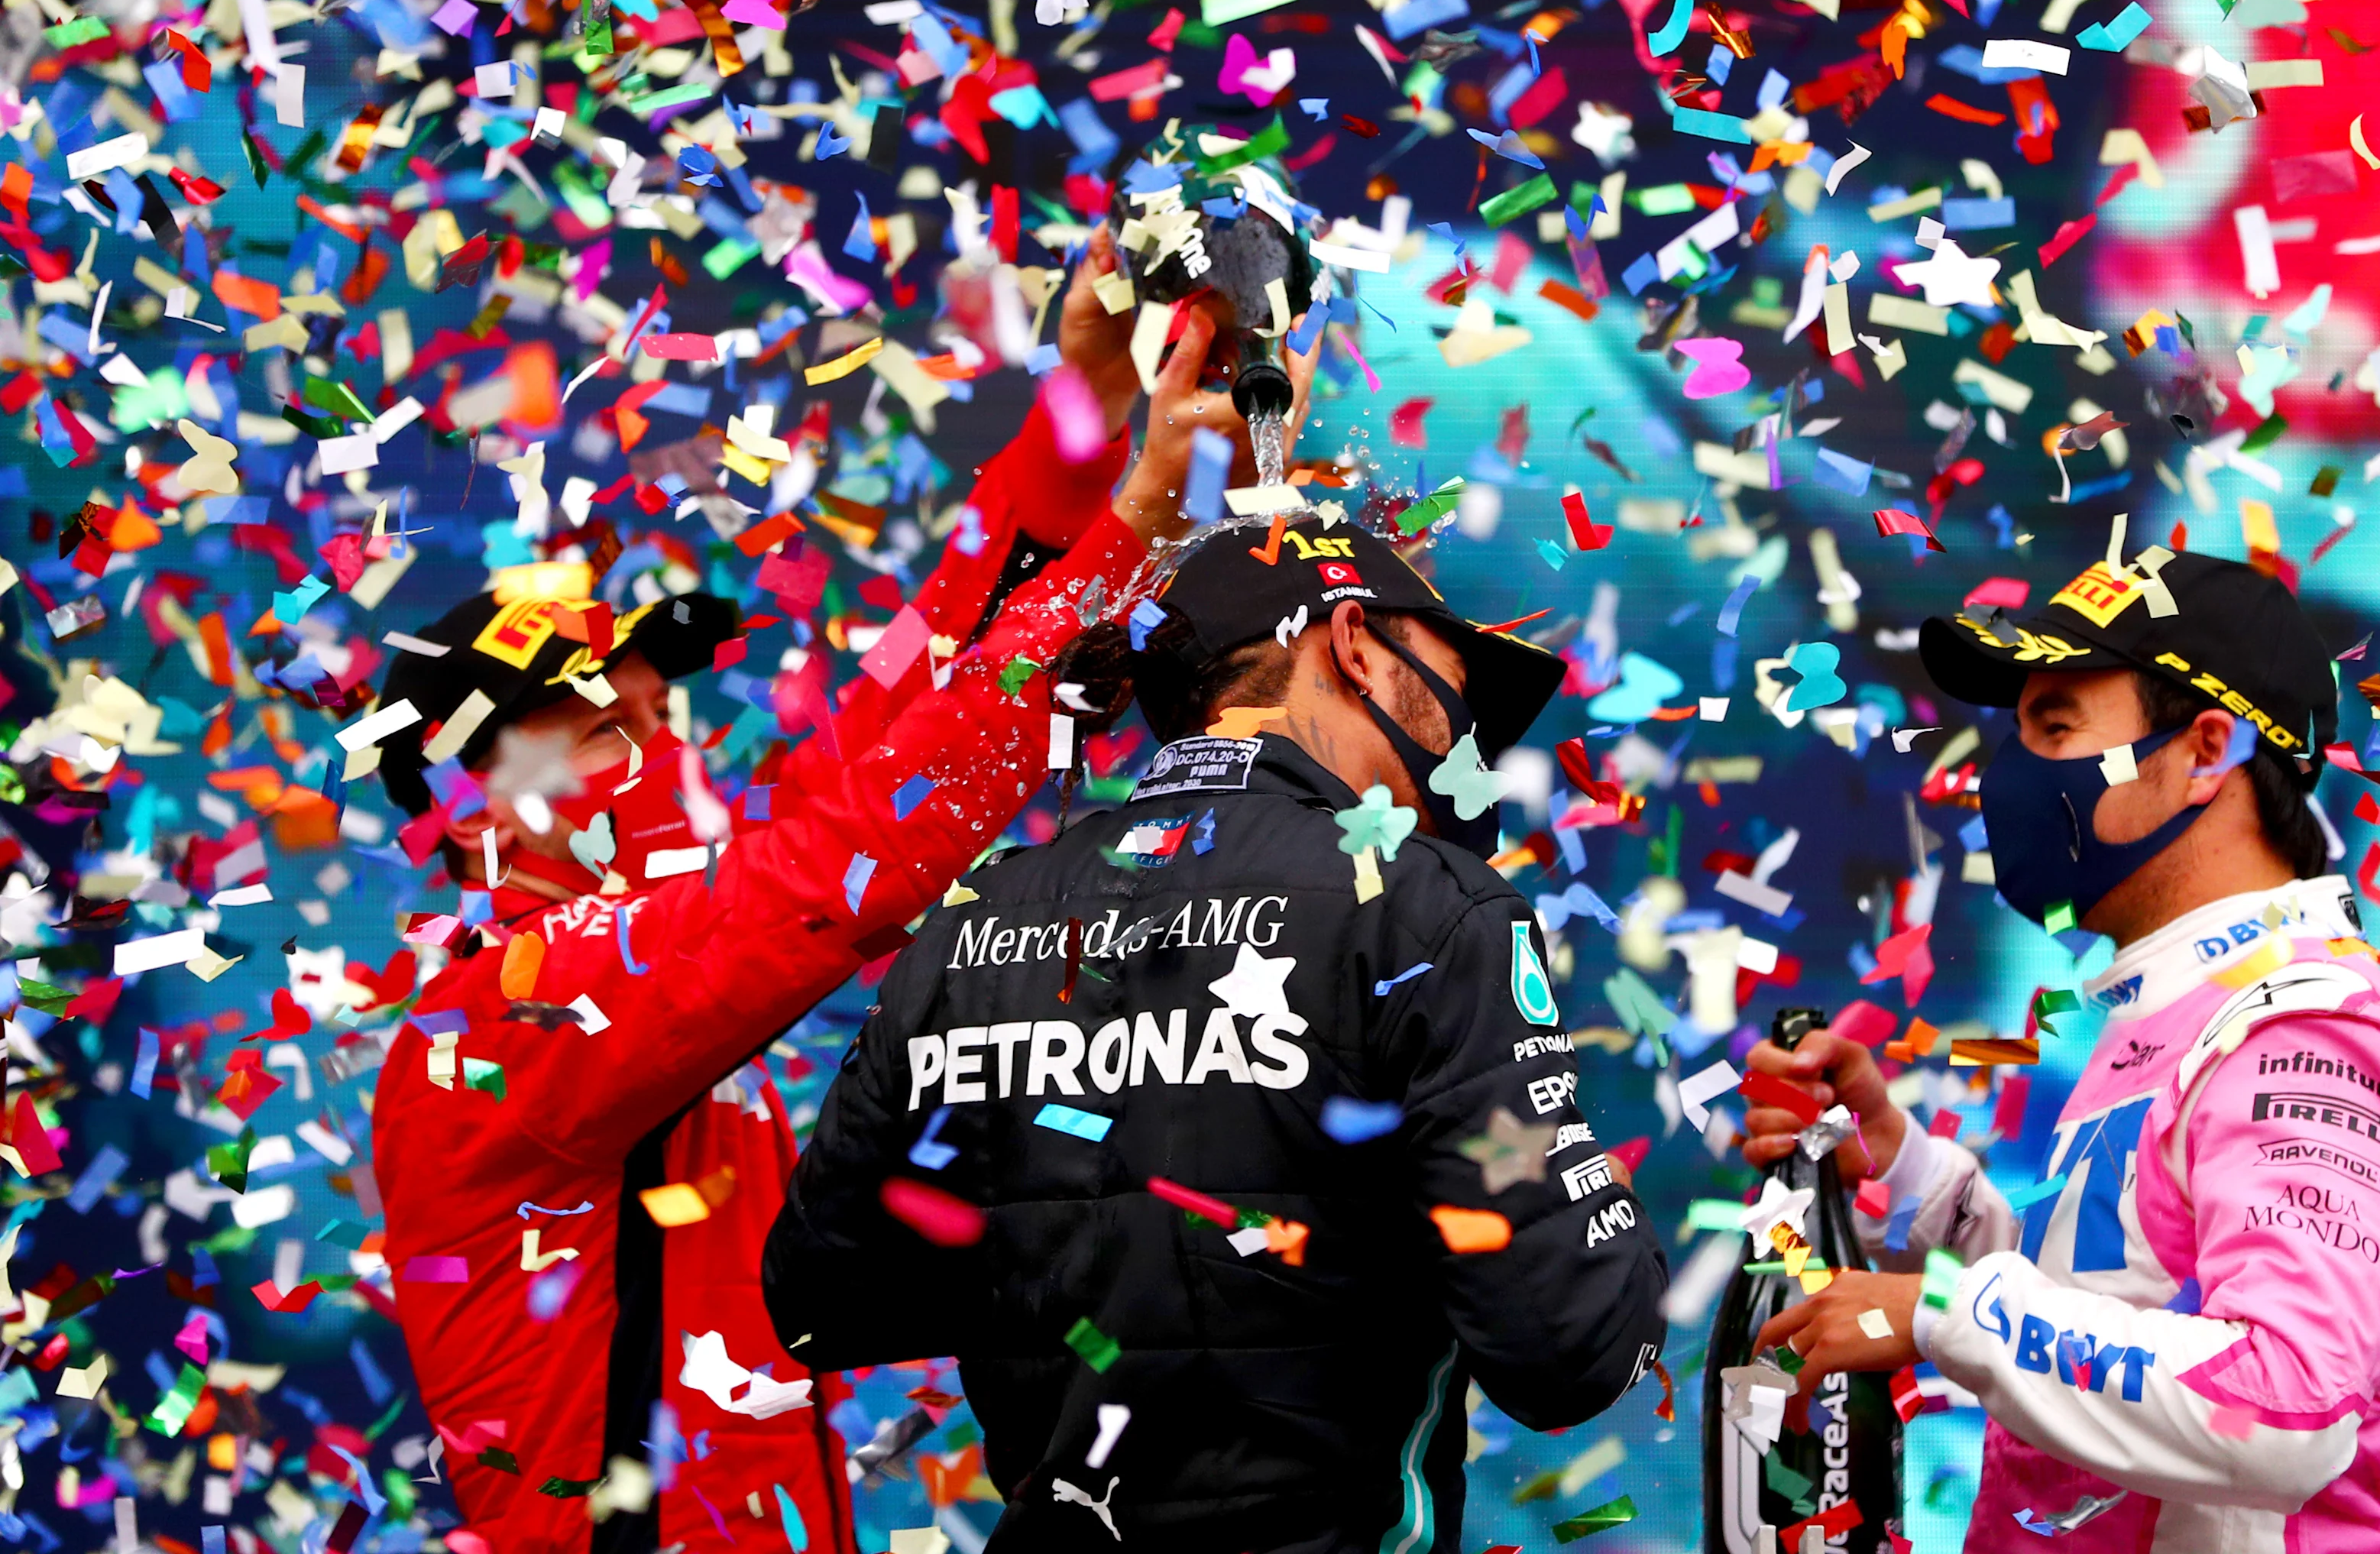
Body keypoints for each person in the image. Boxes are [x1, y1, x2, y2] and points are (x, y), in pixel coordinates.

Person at [369, 235, 1283, 1554]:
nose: (658, 754)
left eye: (658, 711)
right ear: (463, 811)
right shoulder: (492, 1031)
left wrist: (1082, 408)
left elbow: (901, 722)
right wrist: (1142, 520)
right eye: (596, 729)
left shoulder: (648, 933)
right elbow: (851, 845)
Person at [764, 513, 1672, 1553]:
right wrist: (1592, 1206)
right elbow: (1570, 1349)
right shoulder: (1428, 908)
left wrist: (1071, 1248)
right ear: (1355, 644)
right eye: (1453, 679)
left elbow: (823, 1301)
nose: (1469, 736)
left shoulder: (976, 919)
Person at [1737, 552, 2380, 1549]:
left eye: (2056, 726)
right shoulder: (2185, 1003)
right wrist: (1901, 1170)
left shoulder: (2303, 1034)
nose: (2012, 770)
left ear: (2208, 749)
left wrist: (1943, 1314)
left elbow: (2290, 1407)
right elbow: (2114, 1311)